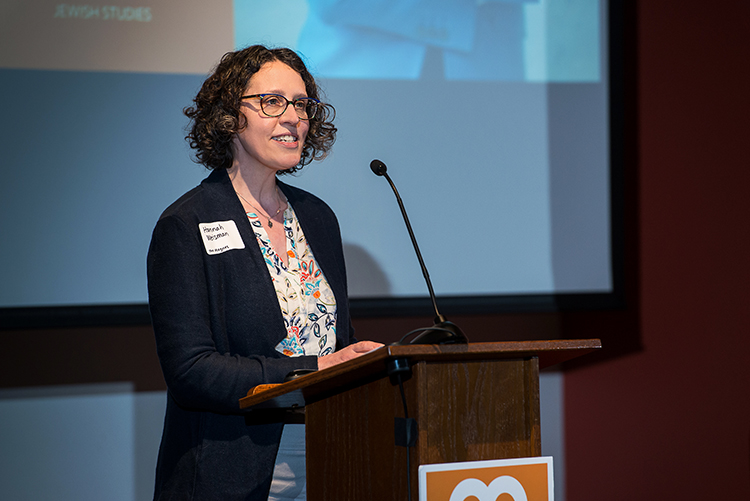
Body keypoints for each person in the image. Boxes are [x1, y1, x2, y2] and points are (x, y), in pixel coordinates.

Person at [147, 45, 382, 500]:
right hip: (232, 471)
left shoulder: (317, 217)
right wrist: (315, 369)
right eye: (272, 102)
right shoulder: (187, 223)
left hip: (329, 456)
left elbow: (332, 337)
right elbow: (191, 370)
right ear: (229, 116)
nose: (293, 117)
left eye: (302, 104)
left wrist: (363, 358)